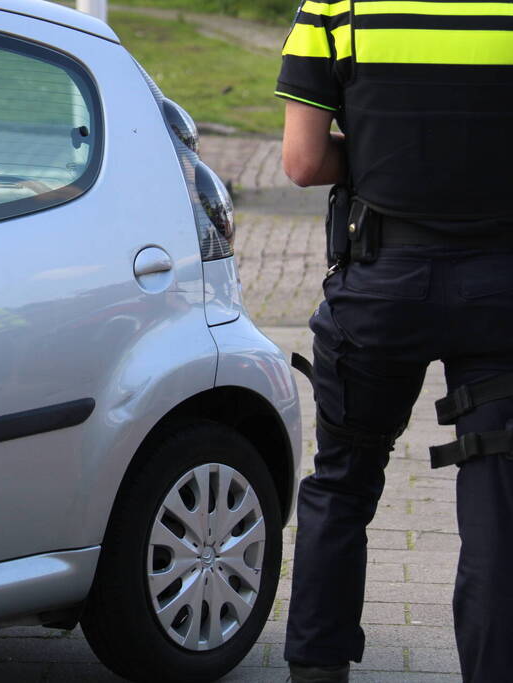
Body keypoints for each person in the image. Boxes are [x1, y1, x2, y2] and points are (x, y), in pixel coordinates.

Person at [275, 2, 513, 681]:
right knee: (497, 495)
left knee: (343, 483)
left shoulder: (336, 8)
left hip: (381, 284)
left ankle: (316, 669)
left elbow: (301, 162)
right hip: (499, 291)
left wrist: (386, 154)